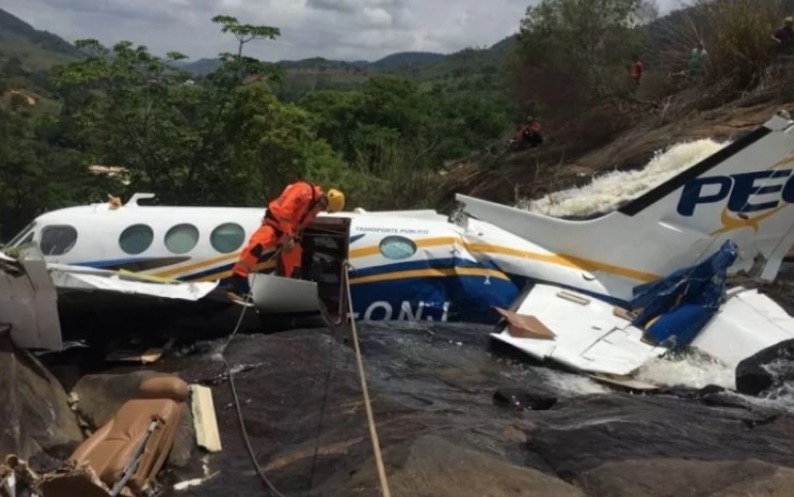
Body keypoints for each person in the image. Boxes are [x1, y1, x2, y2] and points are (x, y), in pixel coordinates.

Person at [226, 181, 345, 301]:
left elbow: (300, 226)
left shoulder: (314, 209)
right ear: (323, 199)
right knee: (256, 246)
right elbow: (285, 212)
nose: (321, 209)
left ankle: (286, 293)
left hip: (287, 233)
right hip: (274, 225)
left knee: (296, 262)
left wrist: (294, 238)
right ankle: (235, 282)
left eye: (324, 209)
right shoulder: (304, 190)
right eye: (323, 206)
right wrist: (288, 236)